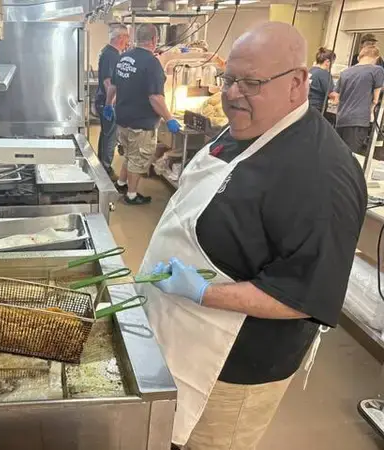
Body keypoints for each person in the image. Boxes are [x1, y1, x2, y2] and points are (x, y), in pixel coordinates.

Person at [136, 22, 367, 450]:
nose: (232, 93)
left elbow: (303, 297)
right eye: (229, 79)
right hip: (176, 337)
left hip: (230, 370)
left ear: (297, 83)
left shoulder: (322, 176)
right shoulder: (246, 127)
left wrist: (203, 292)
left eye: (251, 83)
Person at [104, 24, 181, 205]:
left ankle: (121, 184)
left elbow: (113, 86)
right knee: (137, 160)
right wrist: (169, 119)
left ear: (136, 38)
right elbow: (155, 97)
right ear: (154, 39)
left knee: (130, 155)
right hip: (141, 123)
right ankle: (131, 195)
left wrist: (108, 104)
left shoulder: (124, 58)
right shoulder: (152, 63)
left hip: (123, 119)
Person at [335, 45, 384, 154]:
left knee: (339, 153)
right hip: (358, 120)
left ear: (359, 57)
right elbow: (375, 100)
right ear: (376, 58)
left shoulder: (345, 72)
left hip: (341, 119)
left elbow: (336, 97)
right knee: (352, 155)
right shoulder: (377, 70)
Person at [95, 25, 130, 179]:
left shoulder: (109, 52)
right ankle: (106, 170)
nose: (127, 41)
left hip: (105, 101)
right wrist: (111, 104)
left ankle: (101, 165)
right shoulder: (111, 55)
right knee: (110, 137)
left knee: (106, 134)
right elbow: (108, 82)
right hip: (107, 103)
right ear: (120, 38)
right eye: (127, 37)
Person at [308, 47, 336, 111]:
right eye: (332, 63)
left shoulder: (311, 70)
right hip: (317, 108)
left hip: (308, 106)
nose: (332, 66)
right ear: (327, 62)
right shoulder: (324, 74)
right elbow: (331, 94)